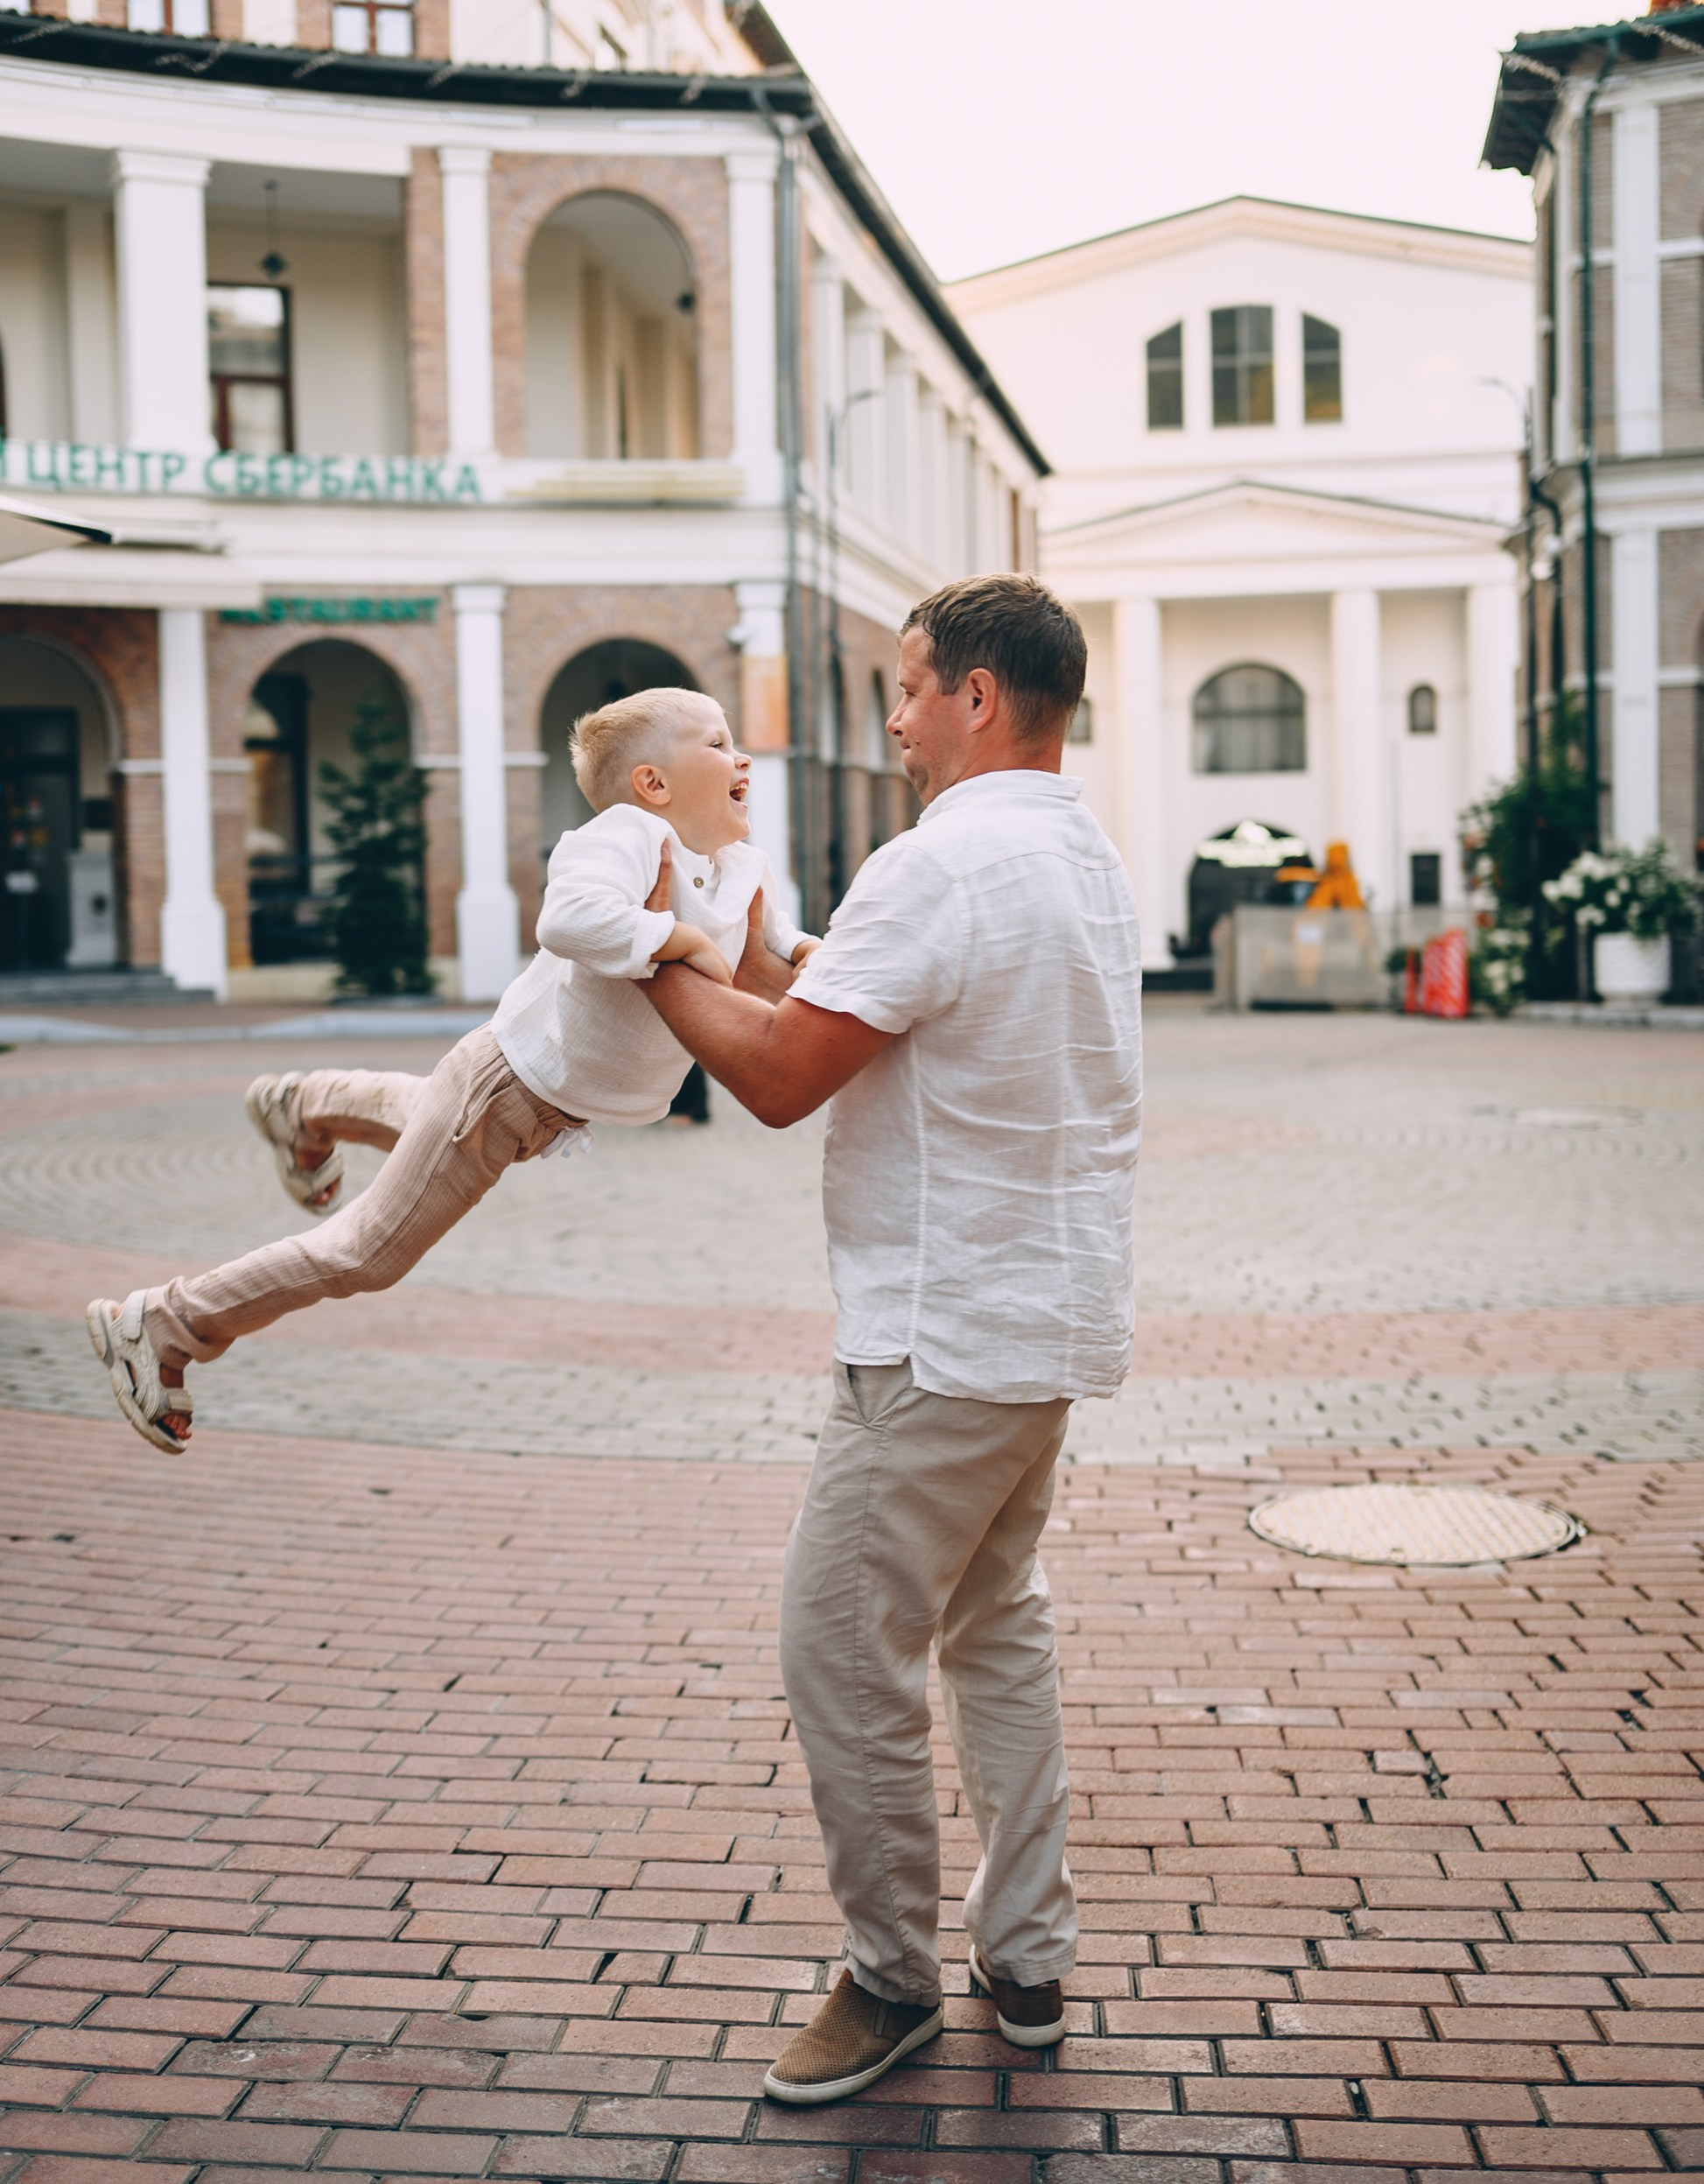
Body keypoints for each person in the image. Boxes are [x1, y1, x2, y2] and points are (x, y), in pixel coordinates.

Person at [638, 573, 1143, 2105]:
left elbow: (788, 1076)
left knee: (837, 1648)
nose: (898, 723)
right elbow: (868, 1009)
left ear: (977, 697)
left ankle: (889, 1980)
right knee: (994, 1626)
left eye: (910, 689)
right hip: (1041, 1325)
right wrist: (765, 953)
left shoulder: (938, 862)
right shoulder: (1080, 856)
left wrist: (654, 958)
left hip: (933, 1342)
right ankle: (1030, 1955)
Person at [87, 688, 814, 1450]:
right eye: (718, 743)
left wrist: (803, 954)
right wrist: (683, 943)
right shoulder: (626, 835)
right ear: (652, 785)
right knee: (368, 1252)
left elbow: (766, 950)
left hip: (525, 1097)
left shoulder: (736, 864)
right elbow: (566, 918)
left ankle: (302, 1104)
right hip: (508, 1085)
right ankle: (165, 1322)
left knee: (423, 1113)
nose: (742, 759)